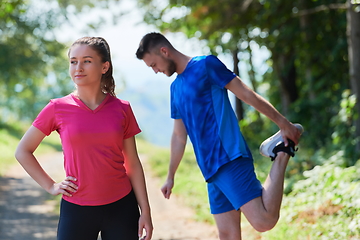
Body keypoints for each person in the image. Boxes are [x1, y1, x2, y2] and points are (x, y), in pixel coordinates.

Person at [135, 32, 303, 240]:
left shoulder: (206, 65)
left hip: (229, 158)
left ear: (164, 51)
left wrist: (283, 124)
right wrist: (170, 176)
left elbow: (246, 94)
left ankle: (282, 151)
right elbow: (179, 136)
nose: (155, 71)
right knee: (227, 234)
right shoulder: (175, 88)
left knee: (263, 221)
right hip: (210, 171)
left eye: (153, 64)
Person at [15, 37, 153, 240]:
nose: (78, 67)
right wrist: (51, 186)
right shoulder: (57, 108)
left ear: (104, 66)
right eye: (73, 61)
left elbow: (132, 162)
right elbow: (22, 151)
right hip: (77, 209)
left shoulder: (122, 108)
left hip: (122, 206)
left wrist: (146, 212)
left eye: (87, 61)